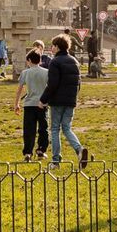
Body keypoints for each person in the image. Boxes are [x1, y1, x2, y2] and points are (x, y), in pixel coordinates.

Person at [41, 34, 88, 166]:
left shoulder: (55, 62)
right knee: (67, 128)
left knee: (55, 129)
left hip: (57, 101)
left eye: (52, 46)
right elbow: (78, 83)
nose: (51, 48)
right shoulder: (74, 61)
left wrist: (43, 99)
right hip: (70, 100)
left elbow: (52, 84)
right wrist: (73, 97)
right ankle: (79, 149)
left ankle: (55, 160)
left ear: (57, 47)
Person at [13, 50, 51, 160]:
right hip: (42, 104)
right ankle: (41, 150)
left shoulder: (25, 73)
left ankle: (28, 152)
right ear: (40, 60)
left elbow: (19, 90)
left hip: (29, 104)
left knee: (29, 129)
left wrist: (16, 104)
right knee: (43, 128)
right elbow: (50, 88)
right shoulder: (46, 72)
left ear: (29, 60)